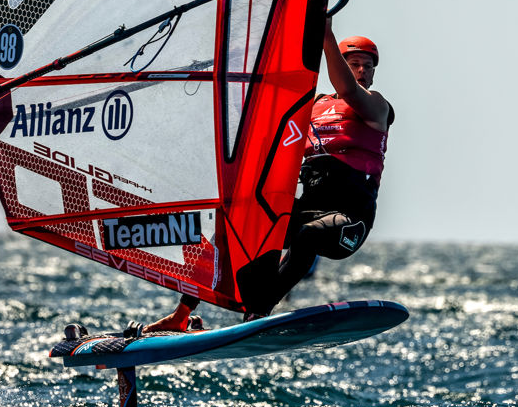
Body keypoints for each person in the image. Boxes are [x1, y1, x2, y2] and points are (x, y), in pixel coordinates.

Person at [142, 21, 392, 333]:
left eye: (367, 66)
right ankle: (181, 314)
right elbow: (276, 141)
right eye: (354, 64)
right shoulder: (314, 107)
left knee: (307, 237)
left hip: (349, 220)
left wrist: (324, 32)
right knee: (232, 229)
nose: (361, 71)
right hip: (309, 208)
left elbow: (347, 90)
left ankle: (258, 313)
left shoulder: (377, 107)